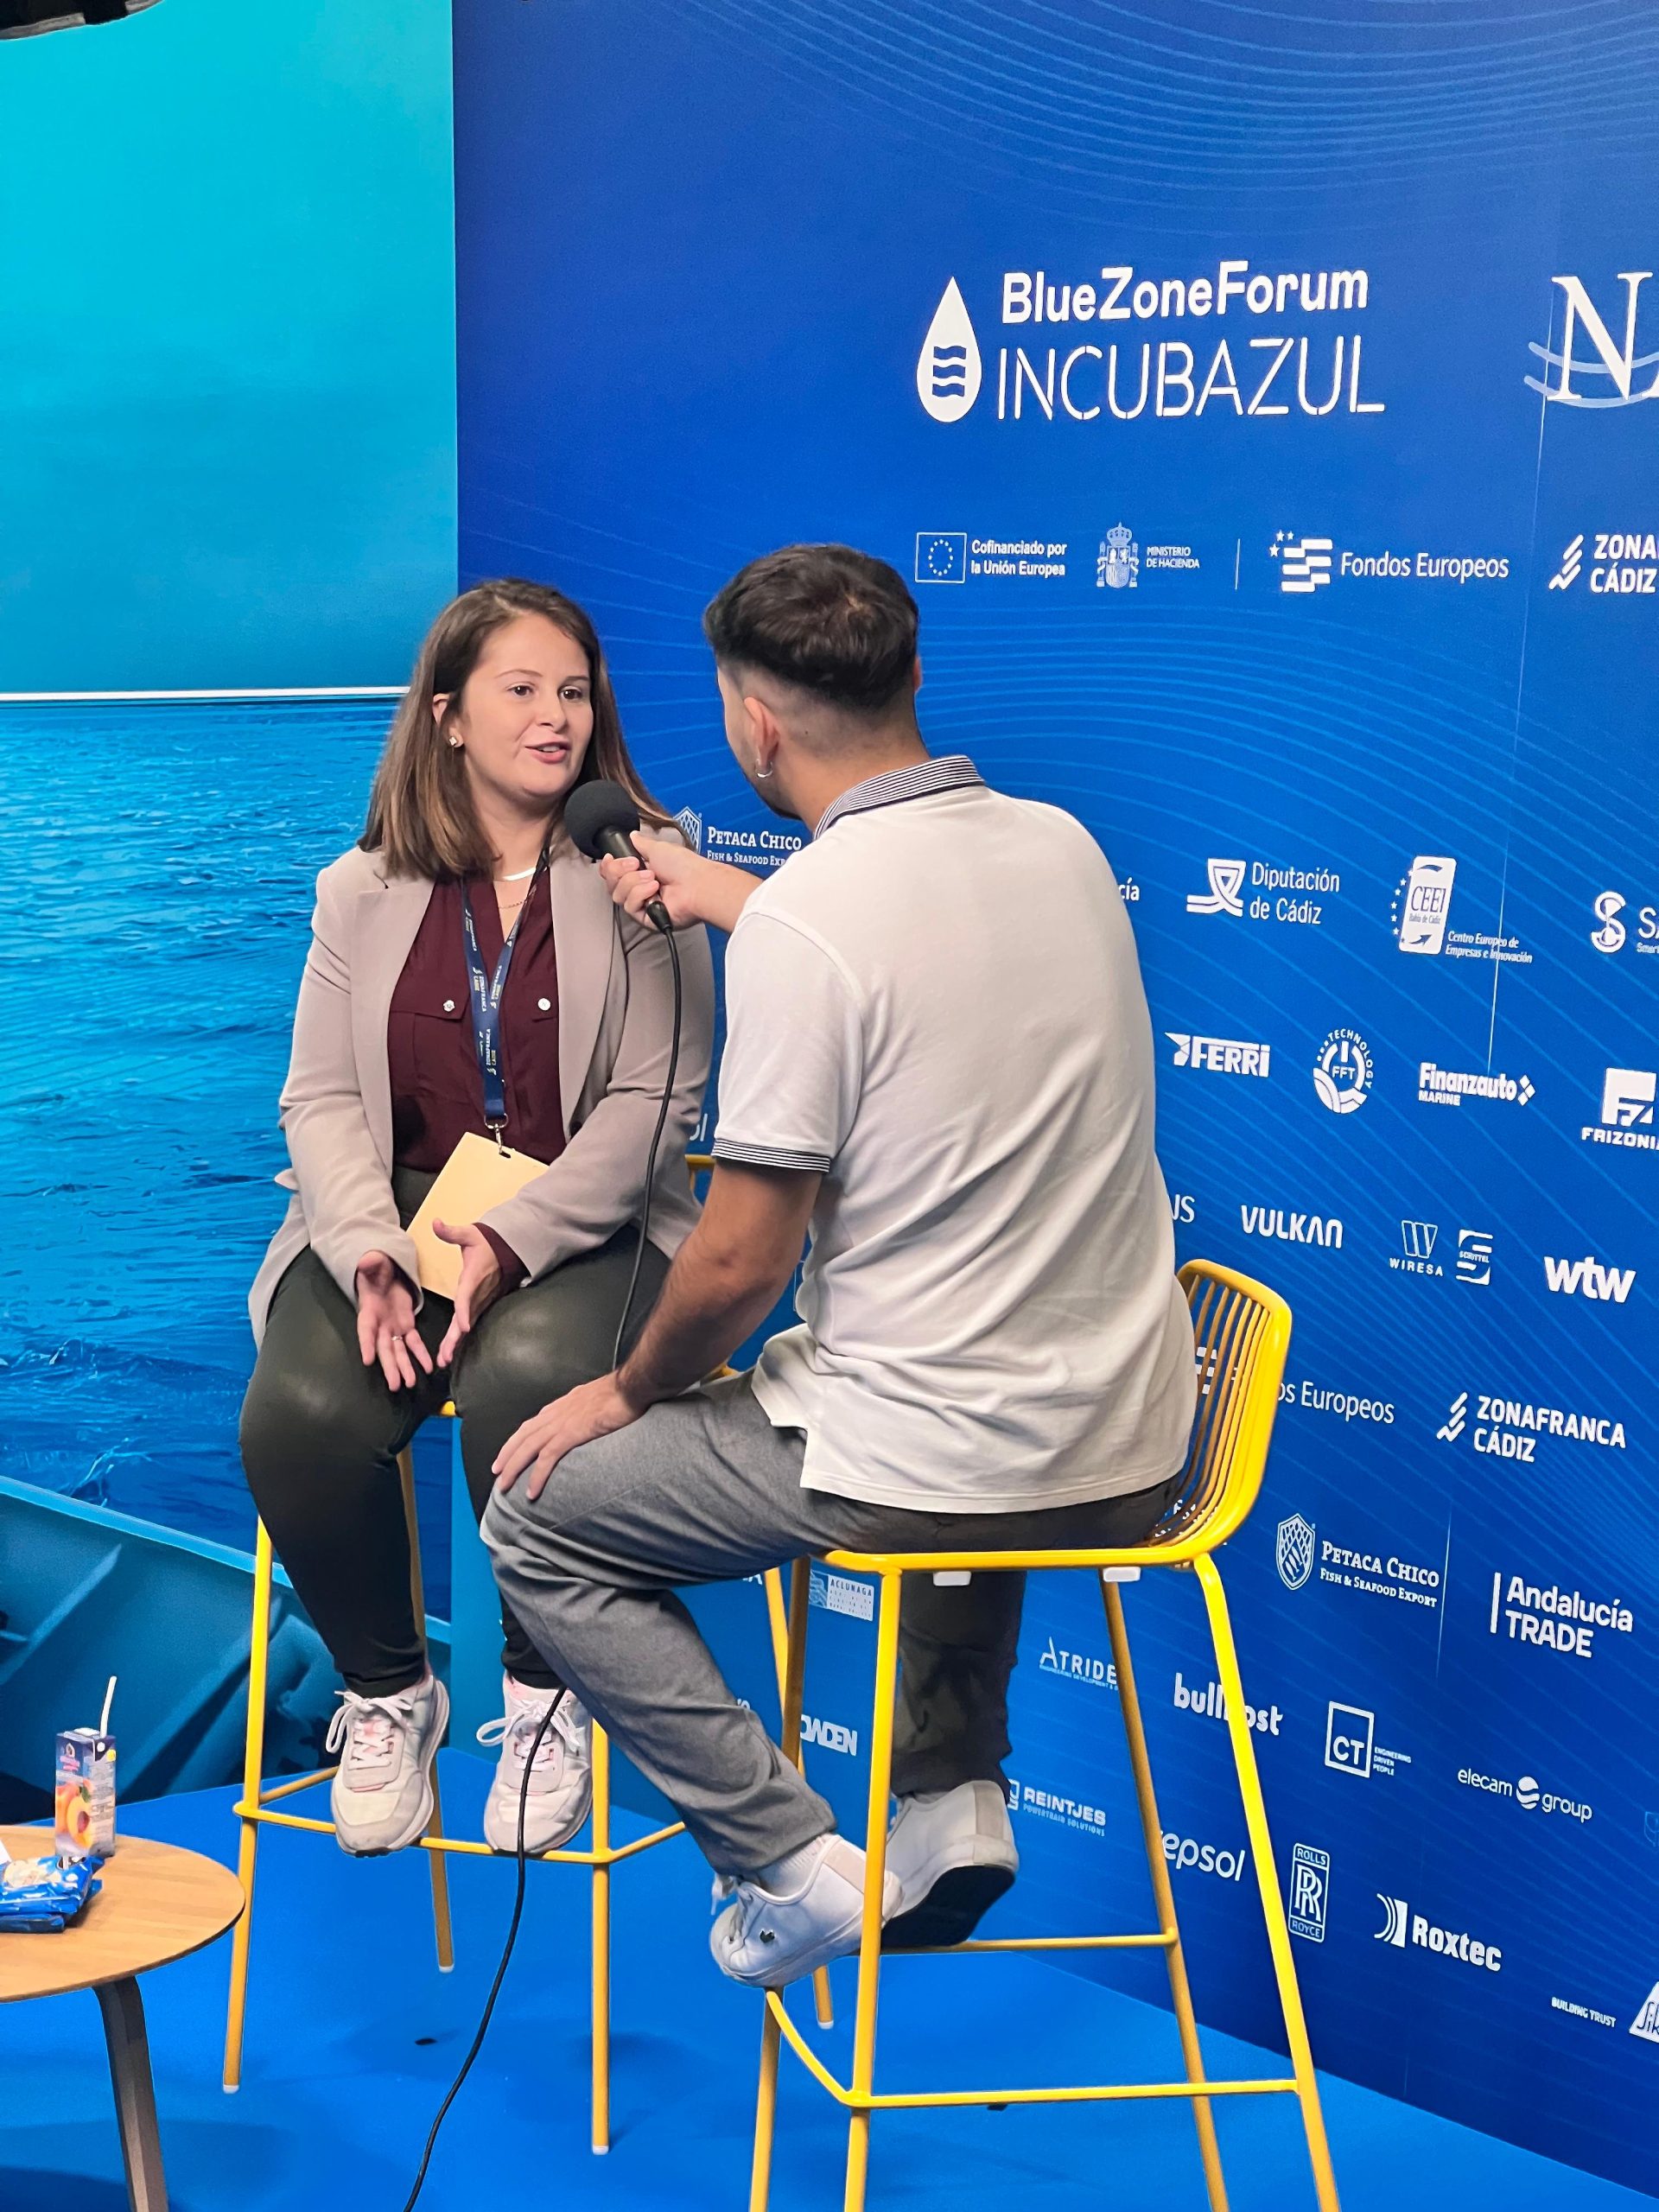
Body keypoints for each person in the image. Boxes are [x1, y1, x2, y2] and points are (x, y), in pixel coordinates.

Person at [482, 543, 1195, 1987]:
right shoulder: (1061, 847)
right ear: (913, 673)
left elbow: (741, 1265)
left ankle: (786, 1863)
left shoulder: (813, 926)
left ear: (755, 727)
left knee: (540, 1524)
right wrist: (728, 893)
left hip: (937, 1464)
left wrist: (628, 1391)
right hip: (1134, 1445)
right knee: (954, 1355)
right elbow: (908, 948)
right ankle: (953, 1791)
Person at [239, 579, 713, 1858]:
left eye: (575, 692)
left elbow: (653, 1109)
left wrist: (512, 1239)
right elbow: (319, 1096)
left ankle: (545, 1689)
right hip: (398, 1211)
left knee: (525, 1382)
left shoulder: (648, 869)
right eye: (522, 690)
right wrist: (366, 1249)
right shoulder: (361, 887)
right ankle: (390, 1693)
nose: (556, 717)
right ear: (447, 715)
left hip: (591, 1219)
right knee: (302, 1412)